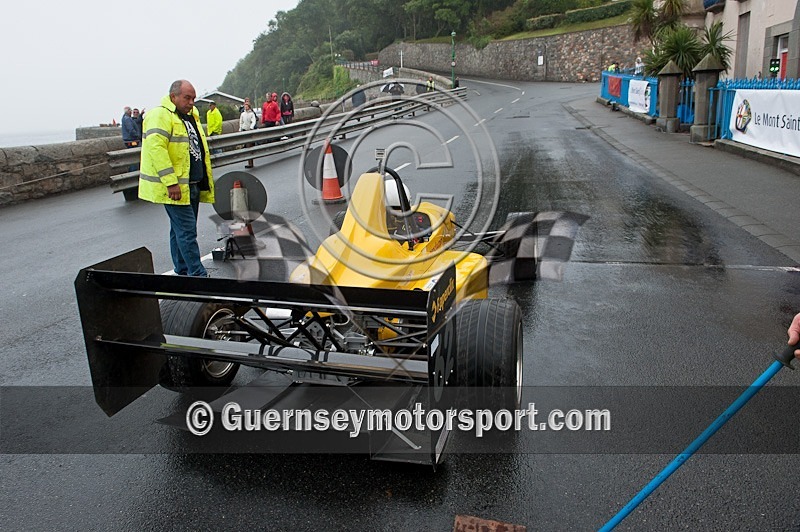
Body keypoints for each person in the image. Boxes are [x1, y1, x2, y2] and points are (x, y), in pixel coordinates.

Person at [139, 79, 214, 277]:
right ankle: (197, 274)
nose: (191, 102)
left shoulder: (191, 116)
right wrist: (171, 182)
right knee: (187, 232)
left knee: (179, 230)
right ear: (173, 97)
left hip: (193, 184)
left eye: (194, 99)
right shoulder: (160, 115)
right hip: (177, 186)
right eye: (187, 98)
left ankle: (182, 270)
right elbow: (156, 149)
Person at [239, 101, 257, 169]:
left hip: (250, 131)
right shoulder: (243, 114)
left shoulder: (251, 114)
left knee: (250, 146)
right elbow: (241, 122)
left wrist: (251, 127)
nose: (245, 107)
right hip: (244, 130)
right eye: (245, 106)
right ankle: (249, 162)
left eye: (247, 106)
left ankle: (251, 162)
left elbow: (253, 121)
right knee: (247, 146)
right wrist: (240, 128)